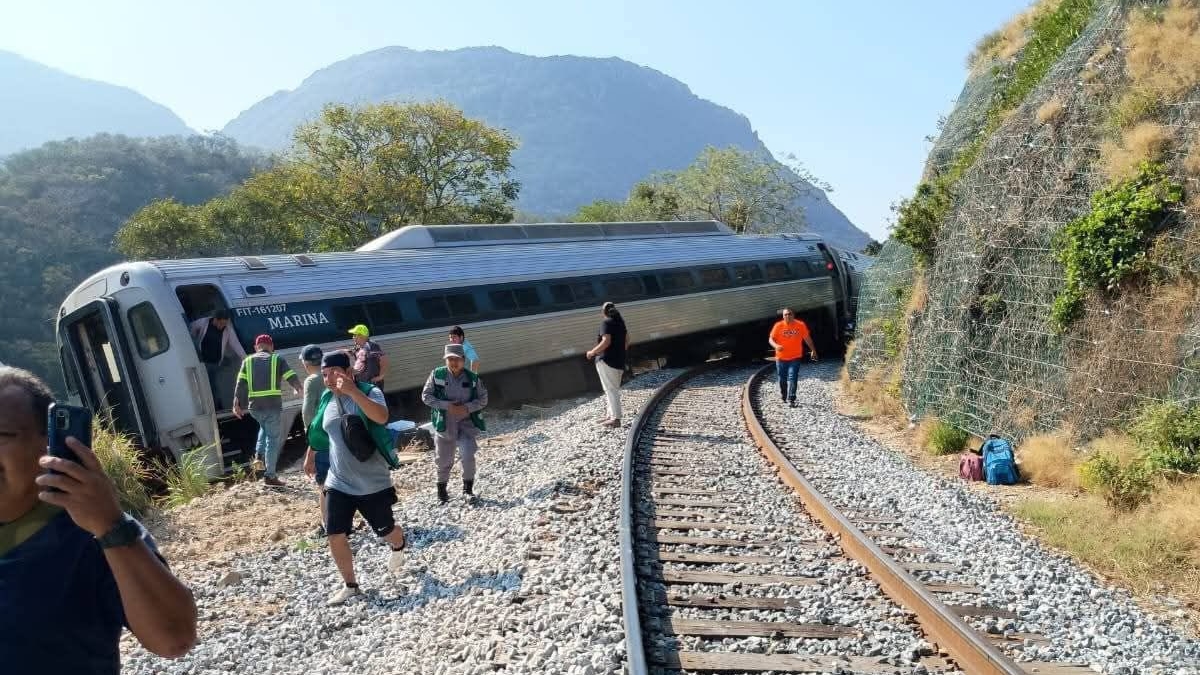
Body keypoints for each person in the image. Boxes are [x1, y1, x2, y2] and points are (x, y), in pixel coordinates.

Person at [0, 366, 197, 673]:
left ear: (50, 443)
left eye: (2, 435)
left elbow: (174, 639)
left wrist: (111, 527)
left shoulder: (89, 531)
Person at [303, 351, 407, 606]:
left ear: (348, 372)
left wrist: (352, 392)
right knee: (334, 532)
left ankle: (399, 544)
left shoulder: (369, 392)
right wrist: (311, 455)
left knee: (386, 531)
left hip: (372, 481)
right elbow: (319, 430)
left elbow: (381, 417)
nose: (328, 380)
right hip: (338, 481)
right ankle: (351, 585)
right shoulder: (327, 397)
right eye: (324, 374)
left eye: (333, 374)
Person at [421, 344, 489, 503]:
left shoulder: (473, 378)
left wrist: (467, 408)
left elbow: (483, 399)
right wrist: (447, 406)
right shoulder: (437, 375)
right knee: (443, 459)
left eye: (457, 359)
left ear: (464, 360)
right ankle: (442, 492)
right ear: (445, 360)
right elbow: (426, 396)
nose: (454, 362)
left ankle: (468, 490)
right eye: (450, 359)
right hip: (445, 424)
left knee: (467, 456)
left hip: (466, 424)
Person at [232, 334, 302, 486]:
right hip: (272, 405)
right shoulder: (277, 359)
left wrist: (236, 404)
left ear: (256, 347)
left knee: (264, 428)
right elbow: (290, 375)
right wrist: (297, 388)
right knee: (273, 440)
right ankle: (270, 476)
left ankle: (258, 456)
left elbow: (240, 383)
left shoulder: (247, 361)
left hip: (255, 408)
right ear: (271, 346)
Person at [188, 309, 246, 410]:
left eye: (225, 323)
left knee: (213, 386)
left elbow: (236, 345)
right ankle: (213, 407)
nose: (223, 326)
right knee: (207, 386)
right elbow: (191, 328)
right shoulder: (203, 323)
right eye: (221, 323)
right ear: (215, 319)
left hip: (214, 363)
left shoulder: (227, 329)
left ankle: (216, 407)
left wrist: (246, 359)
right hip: (202, 362)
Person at [586, 301, 629, 428]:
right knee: (611, 389)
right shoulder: (621, 324)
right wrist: (619, 352)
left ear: (604, 312)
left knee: (611, 390)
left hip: (607, 361)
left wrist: (592, 352)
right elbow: (627, 341)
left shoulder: (606, 323)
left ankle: (615, 419)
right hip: (619, 361)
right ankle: (610, 415)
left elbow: (606, 341)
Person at [299, 344, 328, 536]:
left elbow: (309, 412)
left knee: (324, 483)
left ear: (305, 363)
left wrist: (311, 443)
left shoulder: (312, 380)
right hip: (337, 435)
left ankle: (329, 525)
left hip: (322, 438)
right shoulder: (330, 375)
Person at [768, 308, 818, 408]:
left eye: (789, 314)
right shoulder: (778, 326)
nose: (787, 316)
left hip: (795, 357)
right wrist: (776, 346)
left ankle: (791, 399)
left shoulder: (800, 325)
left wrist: (813, 350)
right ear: (783, 316)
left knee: (793, 377)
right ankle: (783, 395)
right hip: (781, 358)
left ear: (793, 315)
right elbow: (771, 339)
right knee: (782, 379)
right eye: (785, 314)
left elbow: (807, 338)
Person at [348, 324, 387, 389]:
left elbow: (384, 359)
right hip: (362, 384)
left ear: (361, 336)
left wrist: (380, 377)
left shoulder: (371, 346)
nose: (353, 337)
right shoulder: (358, 347)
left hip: (372, 385)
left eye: (355, 335)